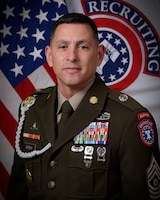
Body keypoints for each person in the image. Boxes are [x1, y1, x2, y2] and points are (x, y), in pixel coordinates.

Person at [7, 13, 160, 200]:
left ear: (99, 55)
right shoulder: (31, 109)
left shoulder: (128, 119)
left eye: (83, 47)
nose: (72, 57)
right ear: (49, 55)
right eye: (63, 47)